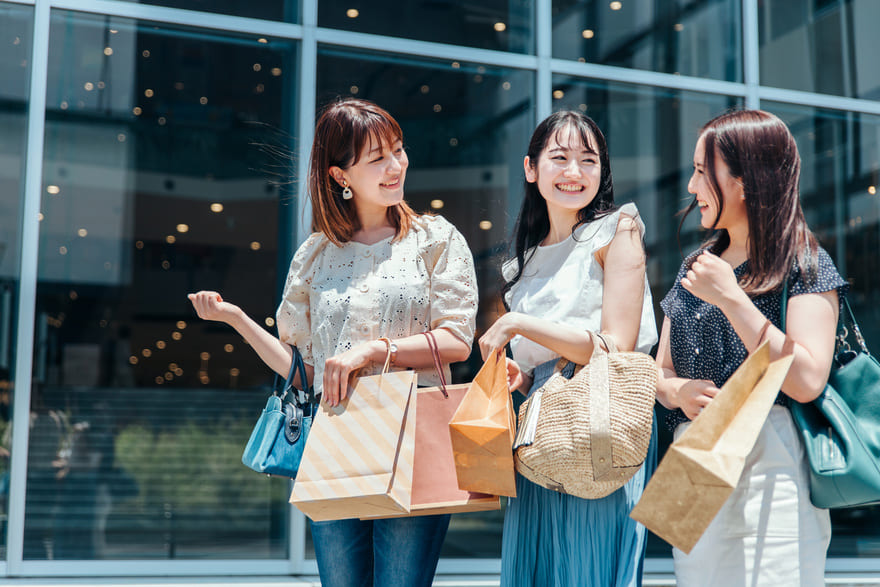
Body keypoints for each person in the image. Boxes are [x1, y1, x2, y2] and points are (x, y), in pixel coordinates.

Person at [189, 97, 478, 587]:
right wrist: (236, 319)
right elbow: (302, 368)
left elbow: (456, 340)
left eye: (399, 150)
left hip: (412, 434)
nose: (395, 166)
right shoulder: (315, 255)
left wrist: (372, 351)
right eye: (377, 158)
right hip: (335, 436)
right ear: (340, 175)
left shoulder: (434, 239)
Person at [655, 110, 846, 586]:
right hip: (695, 455)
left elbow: (806, 380)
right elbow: (658, 372)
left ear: (745, 180)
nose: (692, 186)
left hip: (773, 459)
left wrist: (732, 298)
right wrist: (677, 392)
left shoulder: (803, 262)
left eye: (703, 171)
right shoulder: (695, 266)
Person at [478, 110, 659, 587]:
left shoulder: (618, 230)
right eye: (559, 158)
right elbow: (538, 363)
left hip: (601, 418)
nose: (574, 173)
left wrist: (520, 324)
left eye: (588, 160)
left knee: (588, 566)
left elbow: (615, 345)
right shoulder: (524, 262)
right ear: (531, 168)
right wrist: (518, 373)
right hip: (540, 431)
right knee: (538, 568)